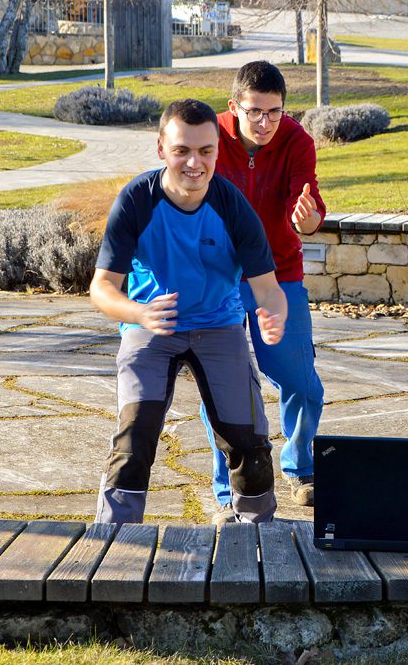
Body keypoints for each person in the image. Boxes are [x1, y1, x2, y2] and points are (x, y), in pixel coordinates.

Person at [90, 98, 287, 525]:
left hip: (219, 326)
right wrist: (139, 314)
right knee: (134, 435)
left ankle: (259, 534)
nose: (194, 163)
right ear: (161, 148)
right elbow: (102, 288)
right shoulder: (137, 200)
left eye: (205, 151)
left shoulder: (232, 207)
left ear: (218, 151)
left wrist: (274, 315)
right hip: (152, 326)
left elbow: (269, 290)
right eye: (182, 150)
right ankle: (114, 539)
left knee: (248, 440)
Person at [199, 60, 326, 523]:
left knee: (301, 382)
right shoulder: (209, 135)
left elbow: (308, 210)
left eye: (275, 111)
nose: (266, 122)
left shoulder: (297, 141)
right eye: (255, 111)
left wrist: (306, 219)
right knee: (223, 387)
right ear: (234, 107)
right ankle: (227, 491)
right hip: (219, 278)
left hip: (279, 273)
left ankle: (301, 466)